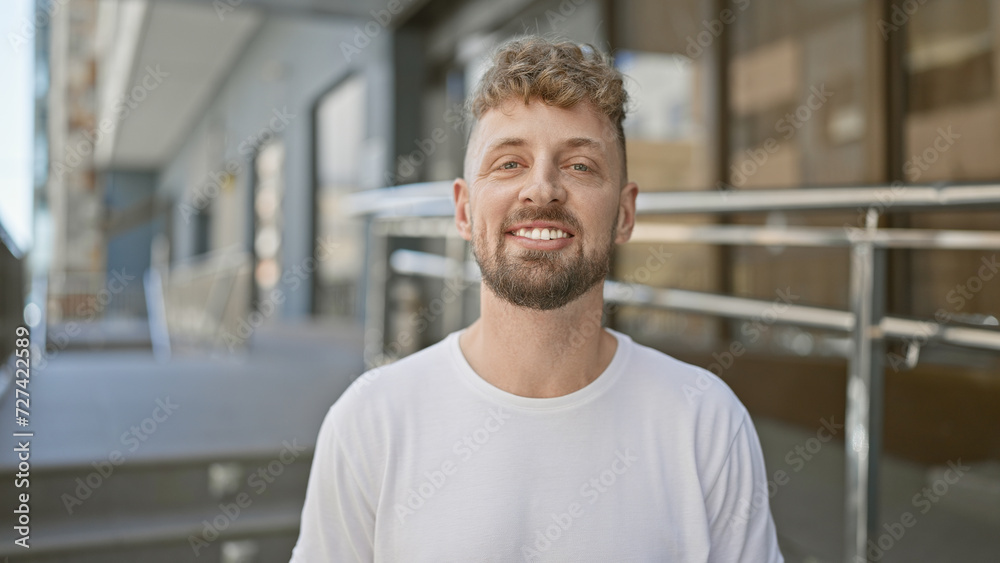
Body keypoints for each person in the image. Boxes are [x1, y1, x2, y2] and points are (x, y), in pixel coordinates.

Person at [291, 36, 783, 562]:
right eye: (509, 163)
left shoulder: (704, 422)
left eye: (579, 166)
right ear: (462, 211)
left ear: (624, 213)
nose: (542, 189)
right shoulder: (371, 421)